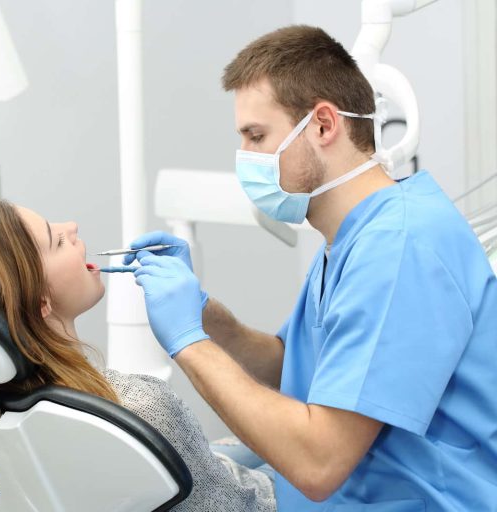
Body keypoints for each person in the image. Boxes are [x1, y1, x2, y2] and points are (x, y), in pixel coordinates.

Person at [125, 25, 497, 511]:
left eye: (257, 136)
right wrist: (206, 316)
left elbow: (319, 462)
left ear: (323, 125)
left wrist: (189, 344)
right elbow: (301, 368)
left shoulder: (399, 247)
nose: (245, 159)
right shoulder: (352, 237)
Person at [0, 199, 276, 512]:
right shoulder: (141, 409)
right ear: (40, 302)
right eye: (56, 241)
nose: (72, 226)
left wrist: (201, 308)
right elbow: (247, 504)